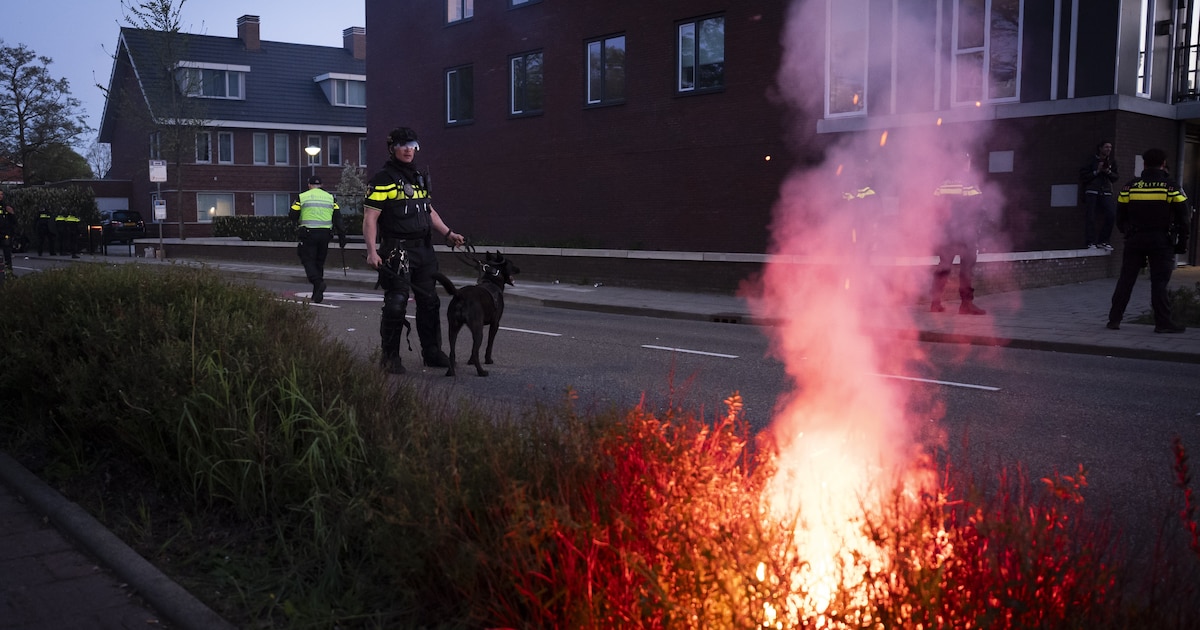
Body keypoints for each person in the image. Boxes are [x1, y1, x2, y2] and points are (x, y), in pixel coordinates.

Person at [363, 126, 466, 374]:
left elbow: (428, 211)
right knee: (396, 303)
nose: (409, 149)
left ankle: (432, 353)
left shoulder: (419, 177)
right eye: (403, 145)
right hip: (397, 250)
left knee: (430, 302)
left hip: (424, 250)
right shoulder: (382, 180)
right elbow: (370, 218)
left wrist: (448, 233)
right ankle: (390, 358)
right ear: (392, 148)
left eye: (413, 145)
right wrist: (371, 251)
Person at [1107, 148, 1191, 333]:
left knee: (1126, 280)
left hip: (1135, 239)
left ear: (1144, 164)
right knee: (1159, 282)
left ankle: (1114, 320)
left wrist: (1127, 232)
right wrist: (1182, 242)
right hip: (1161, 240)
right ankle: (1162, 323)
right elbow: (1184, 217)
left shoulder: (1129, 186)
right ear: (1163, 164)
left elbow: (1119, 217)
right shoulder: (1171, 187)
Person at [929, 153, 987, 315]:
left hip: (946, 235)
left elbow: (934, 210)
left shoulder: (942, 185)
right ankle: (966, 304)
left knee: (944, 267)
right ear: (965, 164)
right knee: (966, 269)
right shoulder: (968, 184)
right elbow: (979, 209)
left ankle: (935, 303)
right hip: (965, 235)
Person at [289, 175, 346, 304]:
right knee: (319, 263)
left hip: (309, 234)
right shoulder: (330, 198)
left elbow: (292, 214)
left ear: (309, 185)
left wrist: (295, 224)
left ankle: (318, 282)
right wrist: (342, 237)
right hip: (325, 235)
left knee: (307, 259)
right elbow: (338, 218)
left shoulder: (303, 196)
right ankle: (317, 294)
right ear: (321, 185)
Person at [1080, 140, 1119, 250]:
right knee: (1090, 216)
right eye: (1106, 147)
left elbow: (1115, 177)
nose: (1108, 150)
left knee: (1111, 214)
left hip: (1106, 191)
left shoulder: (1112, 162)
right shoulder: (1091, 160)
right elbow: (1083, 175)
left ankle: (1103, 240)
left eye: (1110, 148)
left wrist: (1108, 172)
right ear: (1100, 148)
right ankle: (1090, 242)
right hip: (1092, 191)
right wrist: (1096, 171)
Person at [0, 190, 16, 276]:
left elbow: (13, 222)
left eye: (2, 194)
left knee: (7, 253)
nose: (0, 196)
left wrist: (12, 213)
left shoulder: (6, 206)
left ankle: (9, 272)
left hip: (5, 233)